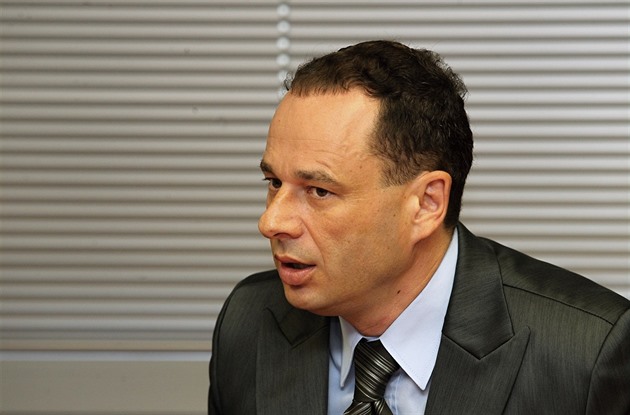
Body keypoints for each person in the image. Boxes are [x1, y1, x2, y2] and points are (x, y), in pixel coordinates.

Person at [208, 40, 630, 414]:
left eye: (319, 191)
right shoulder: (249, 321)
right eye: (274, 183)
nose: (271, 222)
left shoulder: (587, 354)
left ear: (427, 204)